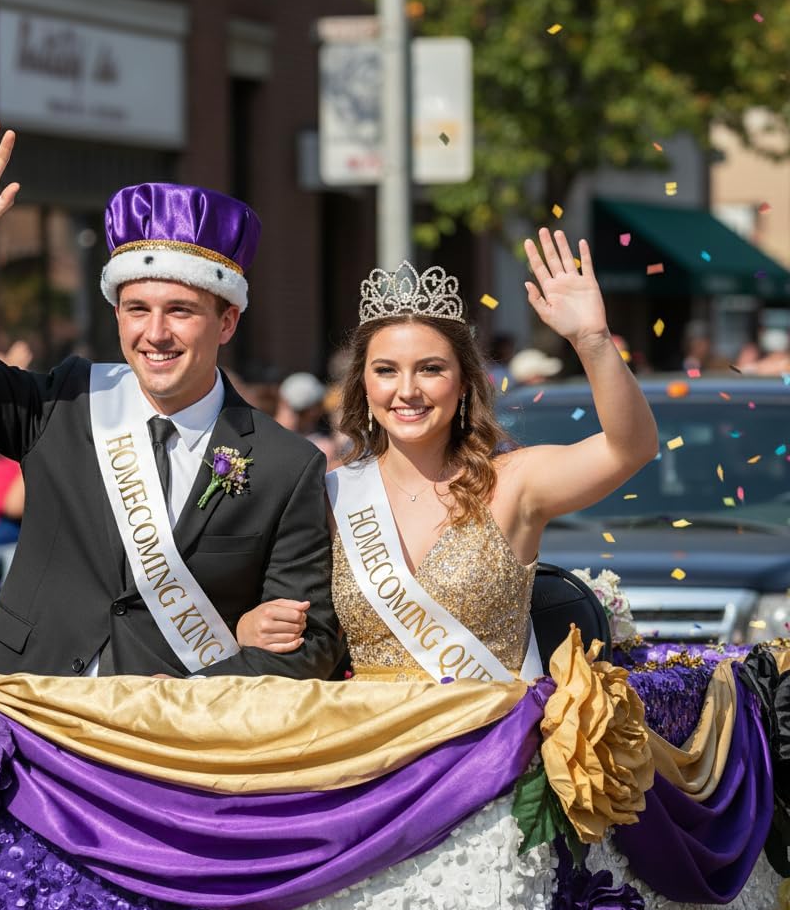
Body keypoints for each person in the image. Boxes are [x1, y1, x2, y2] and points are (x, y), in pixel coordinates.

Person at [0, 117, 340, 679]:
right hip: (23, 710)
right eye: (136, 309)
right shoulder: (67, 401)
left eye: (179, 310)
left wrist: (191, 690)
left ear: (227, 322)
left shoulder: (286, 464)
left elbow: (310, 642)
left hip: (162, 743)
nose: (155, 333)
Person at [238, 233, 658, 685]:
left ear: (463, 383)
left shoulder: (514, 482)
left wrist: (592, 340)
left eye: (431, 368)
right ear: (362, 385)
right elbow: (297, 615)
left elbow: (629, 448)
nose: (407, 390)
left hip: (489, 743)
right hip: (369, 739)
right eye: (386, 371)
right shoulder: (330, 491)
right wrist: (246, 625)